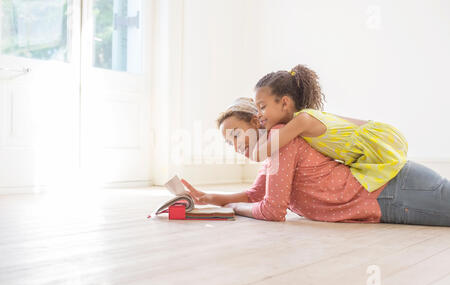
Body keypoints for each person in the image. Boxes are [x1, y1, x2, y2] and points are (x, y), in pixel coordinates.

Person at [181, 99, 450, 227]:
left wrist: (234, 208)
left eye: (236, 135)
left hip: (390, 191)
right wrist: (209, 198)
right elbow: (256, 194)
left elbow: (273, 210)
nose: (237, 146)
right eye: (230, 144)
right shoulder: (276, 147)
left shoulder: (280, 140)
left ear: (255, 122)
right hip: (384, 193)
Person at [251, 64, 408, 192]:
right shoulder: (301, 120)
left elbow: (258, 154)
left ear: (285, 103)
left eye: (262, 107)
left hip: (379, 140)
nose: (258, 115)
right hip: (370, 142)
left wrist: (260, 129)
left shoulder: (302, 121)